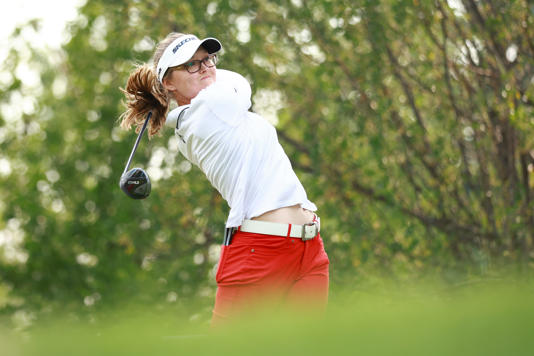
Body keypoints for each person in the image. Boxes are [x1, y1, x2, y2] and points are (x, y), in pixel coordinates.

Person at [119, 32, 329, 325]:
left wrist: (178, 80)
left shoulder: (210, 109)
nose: (205, 67)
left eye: (207, 59)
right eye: (191, 64)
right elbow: (240, 82)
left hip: (309, 249)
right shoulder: (209, 110)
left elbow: (226, 81)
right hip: (260, 251)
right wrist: (165, 82)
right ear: (168, 81)